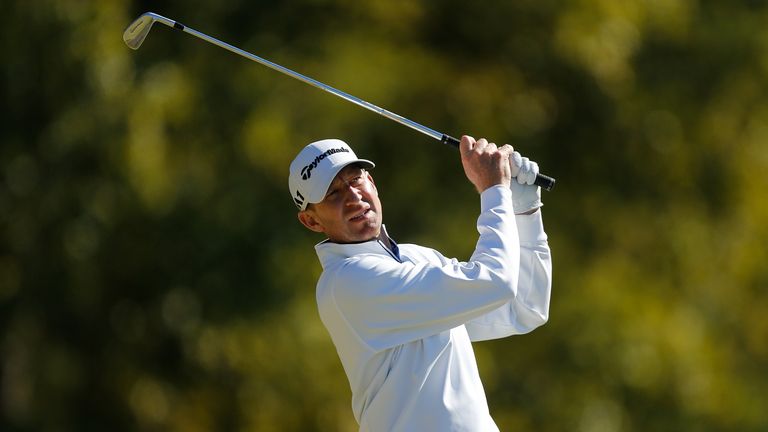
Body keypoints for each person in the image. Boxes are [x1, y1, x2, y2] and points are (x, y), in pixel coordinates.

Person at [288, 136, 552, 432]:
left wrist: (524, 209)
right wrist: (494, 190)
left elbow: (523, 308)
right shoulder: (347, 282)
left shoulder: (418, 257)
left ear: (372, 182)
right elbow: (494, 282)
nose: (352, 196)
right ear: (312, 221)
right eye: (333, 193)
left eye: (355, 179)